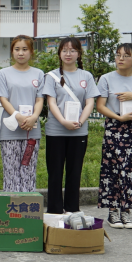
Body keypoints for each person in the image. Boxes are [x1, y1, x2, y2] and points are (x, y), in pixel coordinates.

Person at [95, 43, 132, 229]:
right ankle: (113, 212)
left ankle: (126, 211)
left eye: (126, 56)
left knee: (131, 170)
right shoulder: (106, 79)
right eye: (118, 55)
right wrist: (118, 117)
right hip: (114, 127)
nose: (120, 58)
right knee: (113, 168)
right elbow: (100, 106)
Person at [41, 37, 99, 214]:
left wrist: (80, 121)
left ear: (79, 54)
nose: (68, 54)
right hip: (55, 131)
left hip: (79, 131)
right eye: (64, 50)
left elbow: (90, 103)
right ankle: (55, 211)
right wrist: (63, 122)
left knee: (74, 173)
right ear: (59, 53)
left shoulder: (86, 76)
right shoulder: (51, 76)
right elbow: (51, 103)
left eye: (72, 50)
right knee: (55, 173)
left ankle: (73, 210)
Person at [0, 35, 45, 193]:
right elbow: (3, 99)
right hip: (10, 129)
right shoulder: (4, 73)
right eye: (17, 49)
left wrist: (34, 117)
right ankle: (12, 211)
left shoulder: (38, 74)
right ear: (12, 52)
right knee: (11, 172)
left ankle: (28, 212)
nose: (21, 53)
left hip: (32, 130)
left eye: (25, 49)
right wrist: (18, 116)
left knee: (29, 171)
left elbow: (39, 99)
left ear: (31, 52)